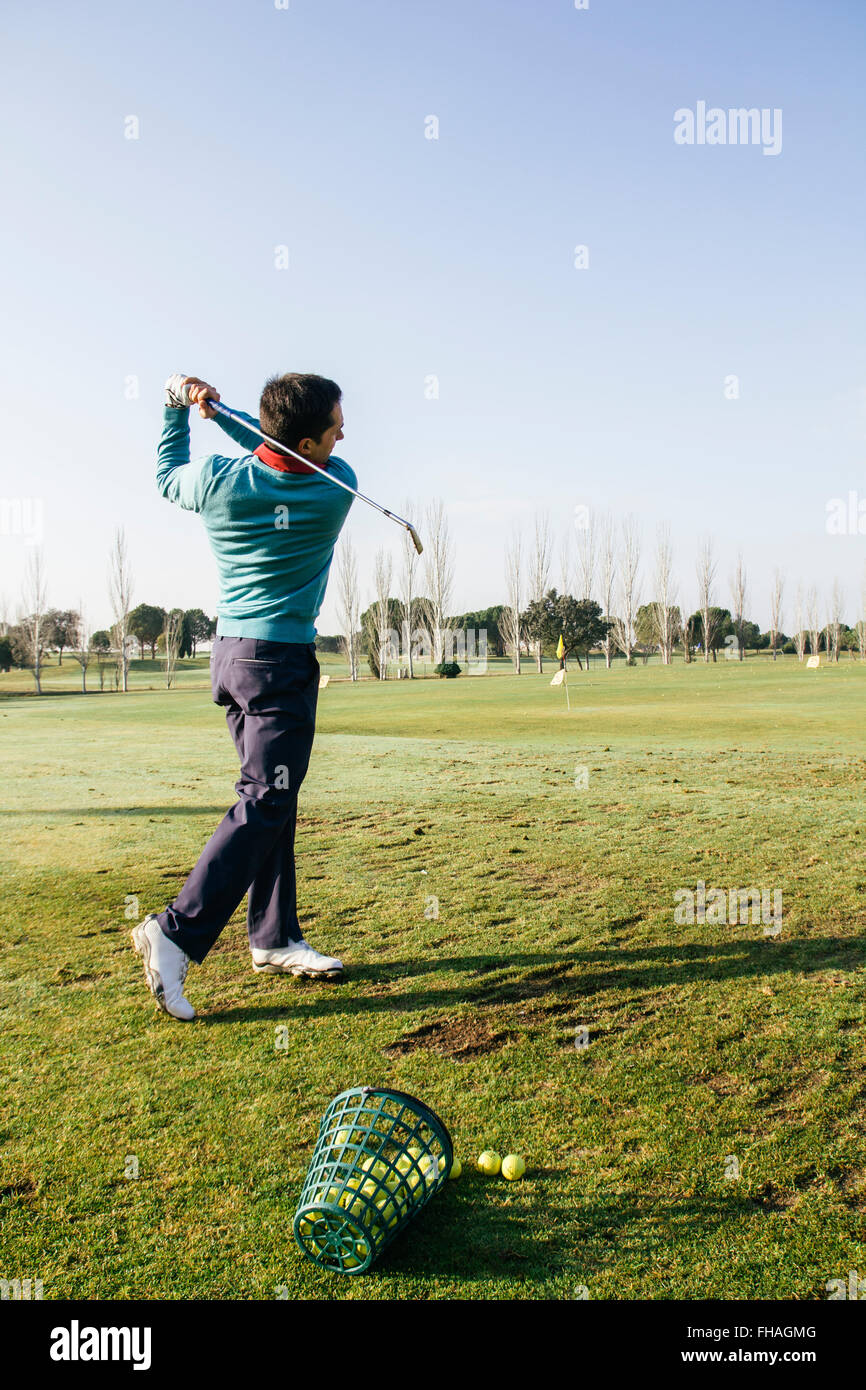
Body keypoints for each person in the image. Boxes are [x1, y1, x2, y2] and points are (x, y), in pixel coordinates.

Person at [131, 371, 355, 1020]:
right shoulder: (335, 490)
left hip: (229, 659)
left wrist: (182, 409)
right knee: (267, 797)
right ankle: (176, 931)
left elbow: (169, 473)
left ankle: (275, 936)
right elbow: (279, 448)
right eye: (336, 425)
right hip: (279, 664)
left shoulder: (218, 483)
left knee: (274, 795)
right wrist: (219, 413)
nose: (345, 432)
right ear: (312, 444)